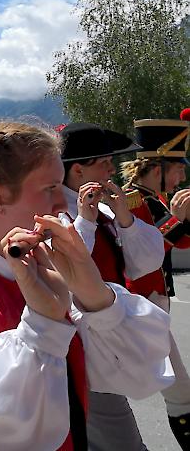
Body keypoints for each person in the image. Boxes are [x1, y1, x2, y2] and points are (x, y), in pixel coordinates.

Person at [0, 121, 173, 451]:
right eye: (50, 188)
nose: (60, 204)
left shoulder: (44, 261)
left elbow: (138, 374)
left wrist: (96, 296)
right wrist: (43, 323)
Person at [57, 122, 165, 450]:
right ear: (78, 169)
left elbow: (146, 262)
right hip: (79, 345)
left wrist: (126, 220)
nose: (112, 168)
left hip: (105, 339)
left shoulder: (102, 208)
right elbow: (69, 269)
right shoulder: (56, 212)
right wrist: (86, 222)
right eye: (104, 161)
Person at [120, 112, 190, 449]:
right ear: (157, 166)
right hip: (141, 302)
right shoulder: (132, 202)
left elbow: (182, 239)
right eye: (178, 169)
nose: (181, 177)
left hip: (152, 302)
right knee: (179, 392)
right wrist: (179, 219)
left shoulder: (150, 198)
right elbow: (147, 251)